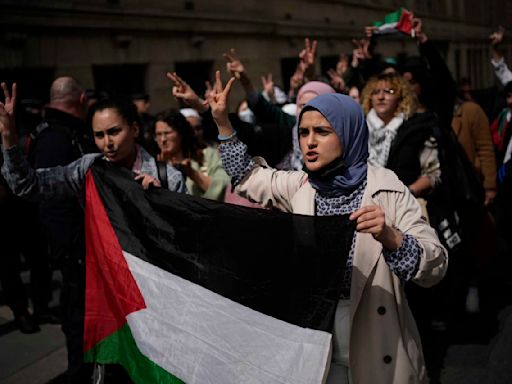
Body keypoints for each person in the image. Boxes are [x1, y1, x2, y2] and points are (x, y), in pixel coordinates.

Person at [207, 71, 447, 383]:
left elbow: (435, 265)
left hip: (378, 343)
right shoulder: (302, 185)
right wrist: (223, 123)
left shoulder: (387, 188)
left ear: (347, 134)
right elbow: (247, 178)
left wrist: (391, 237)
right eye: (303, 132)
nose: (309, 142)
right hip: (320, 343)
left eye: (321, 132)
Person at [0, 84, 186, 383]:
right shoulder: (90, 169)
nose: (107, 143)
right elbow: (28, 185)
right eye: (99, 135)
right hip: (106, 303)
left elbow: (184, 245)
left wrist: (161, 203)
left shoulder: (168, 177)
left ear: (135, 129)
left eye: (114, 132)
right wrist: (9, 141)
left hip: (154, 306)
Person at [154, 109, 229, 201]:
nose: (163, 139)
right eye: (158, 134)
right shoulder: (151, 163)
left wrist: (193, 174)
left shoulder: (207, 155)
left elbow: (223, 189)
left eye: (167, 133)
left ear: (181, 133)